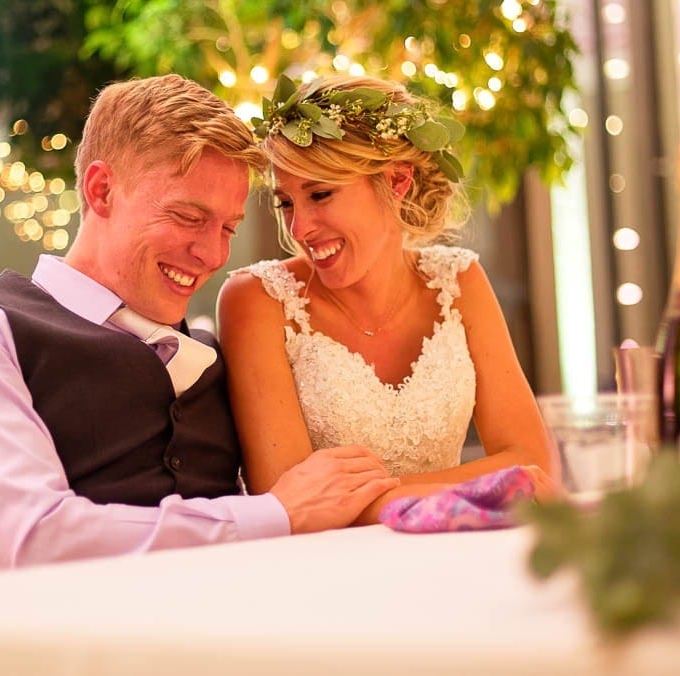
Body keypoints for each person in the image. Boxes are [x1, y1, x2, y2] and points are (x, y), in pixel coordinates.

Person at [0, 74, 400, 575]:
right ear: (100, 191)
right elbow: (34, 540)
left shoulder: (222, 348)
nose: (213, 253)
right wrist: (273, 514)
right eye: (188, 218)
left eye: (228, 228)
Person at [217, 74, 556, 524]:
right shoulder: (257, 300)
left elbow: (534, 461)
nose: (299, 230)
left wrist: (356, 500)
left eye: (320, 194)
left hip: (456, 552)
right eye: (287, 203)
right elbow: (292, 506)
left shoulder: (459, 281)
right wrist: (487, 485)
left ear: (396, 181)